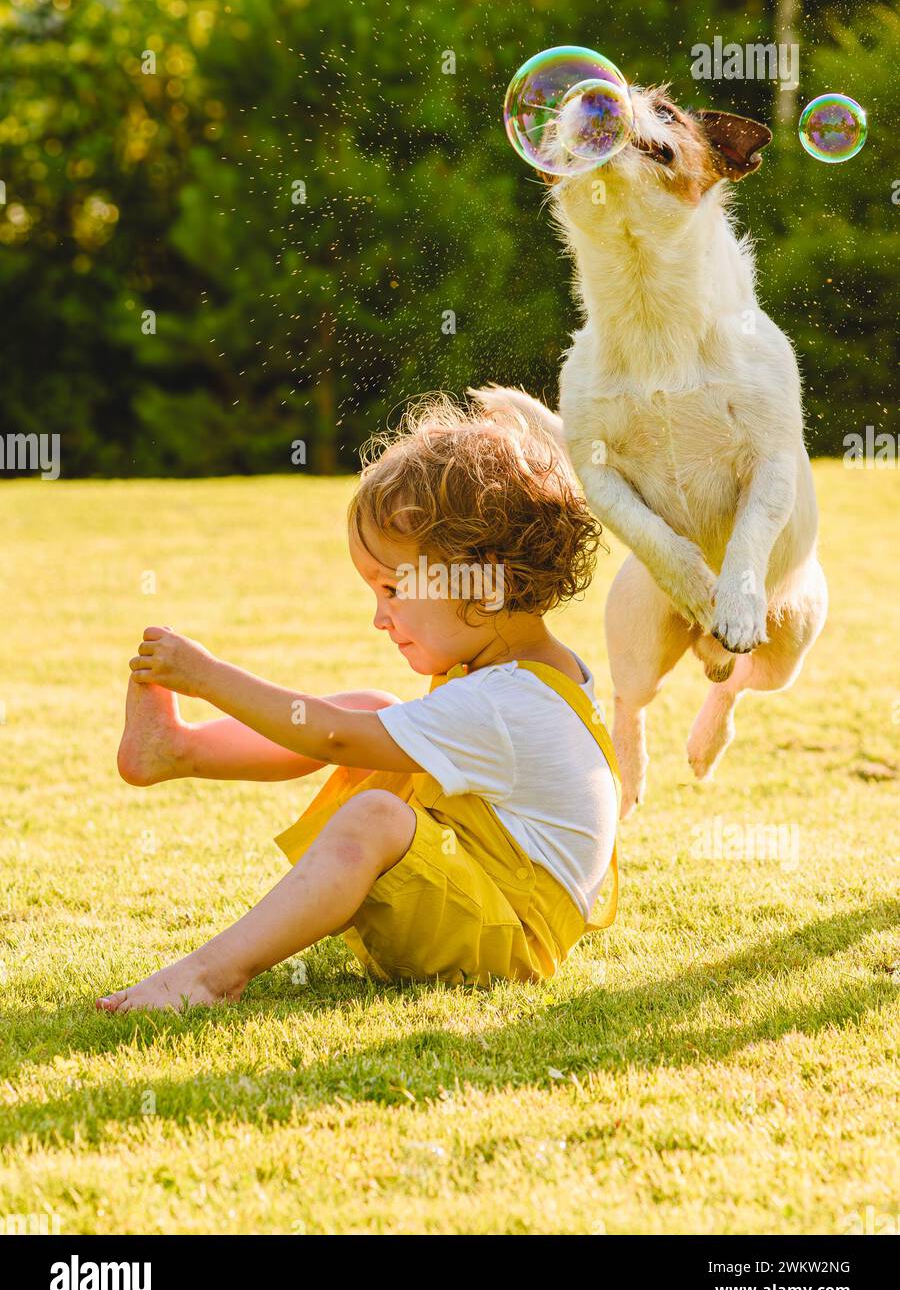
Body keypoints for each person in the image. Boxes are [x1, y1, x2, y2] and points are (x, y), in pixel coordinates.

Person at [99, 396, 620, 1012]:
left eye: (393, 590)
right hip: (486, 900)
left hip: (504, 940)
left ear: (480, 579)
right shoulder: (537, 672)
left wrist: (208, 676)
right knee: (374, 709)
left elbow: (335, 738)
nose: (380, 617)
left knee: (375, 810)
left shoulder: (506, 703)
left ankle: (210, 974)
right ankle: (178, 750)